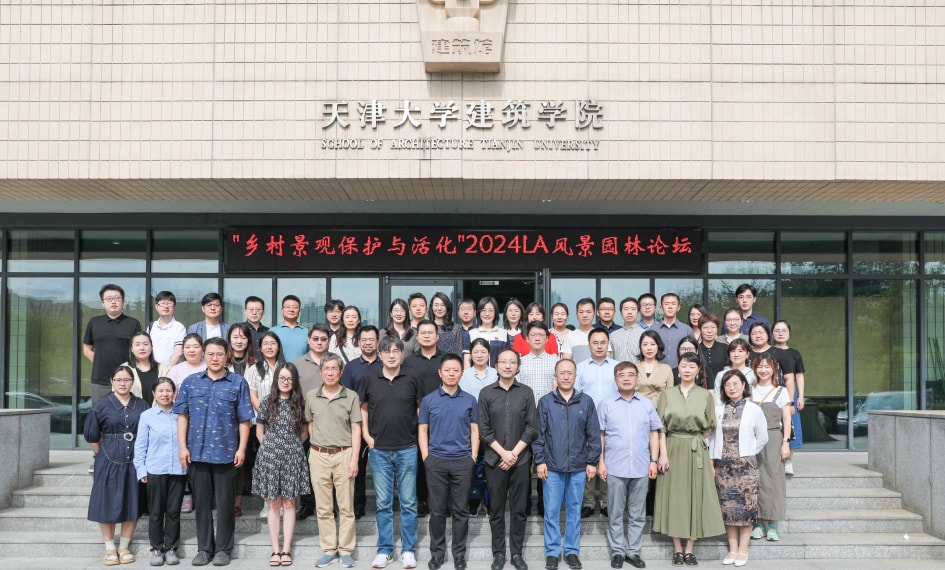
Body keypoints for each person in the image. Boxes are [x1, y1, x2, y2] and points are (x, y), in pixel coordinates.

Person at [174, 338, 254, 567]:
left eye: (219, 354)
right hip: (197, 453)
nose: (215, 358)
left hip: (226, 453)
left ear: (226, 355)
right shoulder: (191, 382)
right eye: (210, 354)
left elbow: (244, 419)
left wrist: (241, 448)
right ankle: (204, 549)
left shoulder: (237, 382)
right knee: (201, 504)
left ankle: (223, 549)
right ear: (204, 355)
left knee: (226, 504)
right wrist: (182, 447)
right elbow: (182, 416)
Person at [653, 352, 725, 568]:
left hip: (696, 449)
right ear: (678, 367)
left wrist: (696, 441)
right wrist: (662, 454)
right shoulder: (667, 394)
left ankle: (690, 549)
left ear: (698, 370)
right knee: (675, 497)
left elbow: (710, 426)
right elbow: (660, 427)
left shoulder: (705, 395)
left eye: (692, 367)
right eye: (684, 365)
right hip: (672, 447)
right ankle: (677, 548)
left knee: (695, 495)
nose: (687, 370)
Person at [359, 335, 423, 570]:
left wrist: (415, 435)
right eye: (387, 351)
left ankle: (408, 550)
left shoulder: (413, 376)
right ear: (380, 354)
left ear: (402, 354)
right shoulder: (370, 378)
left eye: (396, 351)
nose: (392, 355)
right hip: (379, 450)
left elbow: (420, 408)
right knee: (383, 503)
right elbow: (363, 408)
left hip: (407, 447)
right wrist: (367, 436)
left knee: (408, 502)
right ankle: (384, 550)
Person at [534, 359, 601, 570]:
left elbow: (593, 435)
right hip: (552, 467)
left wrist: (592, 461)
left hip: (579, 467)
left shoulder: (586, 402)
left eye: (569, 373)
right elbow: (538, 435)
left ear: (575, 376)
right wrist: (539, 461)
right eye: (562, 373)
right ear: (555, 376)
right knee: (551, 512)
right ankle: (553, 552)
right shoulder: (546, 402)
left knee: (574, 511)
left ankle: (572, 551)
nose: (565, 376)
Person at [597, 361, 662, 570]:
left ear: (637, 378)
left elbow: (654, 433)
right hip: (614, 466)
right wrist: (600, 461)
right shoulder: (606, 404)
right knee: (615, 512)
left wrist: (654, 460)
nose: (626, 378)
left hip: (641, 466)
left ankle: (633, 552)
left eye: (630, 374)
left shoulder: (646, 404)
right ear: (615, 379)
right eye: (621, 375)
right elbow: (601, 435)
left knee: (637, 513)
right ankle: (617, 551)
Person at [477, 348, 536, 570]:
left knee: (519, 510)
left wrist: (514, 454)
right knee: (496, 510)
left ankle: (517, 554)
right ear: (496, 365)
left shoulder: (526, 392)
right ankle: (499, 554)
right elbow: (484, 429)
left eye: (512, 362)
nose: (508, 366)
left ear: (518, 367)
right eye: (503, 362)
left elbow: (532, 428)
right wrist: (503, 453)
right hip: (495, 460)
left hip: (520, 461)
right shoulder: (486, 393)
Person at [418, 354, 479, 570]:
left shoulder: (470, 400)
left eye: (456, 370)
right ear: (440, 373)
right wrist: (426, 457)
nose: (451, 373)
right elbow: (422, 430)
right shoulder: (429, 400)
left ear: (461, 373)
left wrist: (473, 456)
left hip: (462, 461)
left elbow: (475, 430)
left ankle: (459, 554)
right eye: (447, 370)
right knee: (437, 510)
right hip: (436, 461)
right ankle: (437, 553)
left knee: (461, 510)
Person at [86, 364, 149, 566]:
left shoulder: (142, 405)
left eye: (127, 380)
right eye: (118, 380)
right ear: (111, 382)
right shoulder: (101, 406)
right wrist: (101, 454)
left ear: (132, 382)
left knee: (132, 501)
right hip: (108, 459)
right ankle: (110, 548)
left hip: (135, 460)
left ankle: (124, 546)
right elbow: (92, 436)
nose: (123, 383)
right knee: (106, 502)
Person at [305, 353, 361, 569]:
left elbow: (356, 429)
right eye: (326, 369)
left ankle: (346, 550)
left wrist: (354, 459)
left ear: (341, 372)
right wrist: (318, 445)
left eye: (334, 368)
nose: (330, 373)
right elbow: (310, 424)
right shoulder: (311, 396)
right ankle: (329, 549)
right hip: (318, 455)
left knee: (346, 506)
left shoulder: (351, 396)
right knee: (324, 507)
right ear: (320, 372)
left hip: (344, 454)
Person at [708, 370, 768, 567]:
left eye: (735, 383)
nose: (731, 388)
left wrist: (748, 452)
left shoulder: (754, 410)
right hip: (723, 467)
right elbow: (711, 438)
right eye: (727, 385)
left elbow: (763, 437)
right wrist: (712, 463)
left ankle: (743, 550)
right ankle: (732, 549)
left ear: (744, 385)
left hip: (746, 467)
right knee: (728, 509)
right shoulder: (718, 409)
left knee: (746, 508)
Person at [253, 362, 310, 568]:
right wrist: (270, 447)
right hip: (269, 457)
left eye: (290, 379)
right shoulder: (267, 401)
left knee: (289, 503)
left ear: (295, 381)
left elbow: (304, 433)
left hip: (292, 457)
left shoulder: (300, 403)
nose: (286, 382)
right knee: (273, 504)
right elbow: (259, 431)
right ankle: (275, 549)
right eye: (282, 378)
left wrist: (291, 447)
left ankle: (286, 549)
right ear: (276, 379)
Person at [134, 377, 187, 567]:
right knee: (156, 512)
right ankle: (156, 548)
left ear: (174, 393)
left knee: (173, 512)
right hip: (155, 469)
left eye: (168, 390)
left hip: (178, 470)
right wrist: (141, 469)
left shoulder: (182, 414)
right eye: (161, 391)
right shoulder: (147, 416)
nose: (165, 394)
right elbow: (140, 445)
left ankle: (171, 548)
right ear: (154, 394)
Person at [516, 321, 559, 518]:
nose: (537, 338)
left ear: (547, 338)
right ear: (527, 338)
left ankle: (543, 504)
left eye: (541, 335)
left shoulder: (555, 360)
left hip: (548, 417)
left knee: (546, 461)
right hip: (524, 418)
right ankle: (524, 504)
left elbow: (557, 387)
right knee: (524, 463)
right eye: (533, 334)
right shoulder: (520, 362)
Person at [404, 319, 446, 517]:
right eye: (423, 333)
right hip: (418, 418)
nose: (427, 336)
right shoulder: (409, 361)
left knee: (443, 458)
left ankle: (443, 502)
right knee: (420, 460)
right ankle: (421, 500)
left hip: (444, 419)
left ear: (437, 336)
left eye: (431, 333)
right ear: (417, 336)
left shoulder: (446, 359)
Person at [339, 325, 382, 519]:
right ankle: (358, 506)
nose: (368, 343)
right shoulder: (351, 367)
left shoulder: (385, 363)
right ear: (358, 342)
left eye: (371, 339)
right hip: (356, 423)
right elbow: (346, 396)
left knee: (384, 467)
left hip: (382, 422)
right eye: (364, 340)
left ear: (377, 342)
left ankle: (384, 505)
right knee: (358, 465)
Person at [749, 353, 792, 544]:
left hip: (774, 437)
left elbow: (787, 418)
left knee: (774, 479)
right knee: (755, 479)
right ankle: (758, 523)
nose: (763, 370)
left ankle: (773, 524)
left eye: (767, 366)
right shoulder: (749, 389)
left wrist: (786, 442)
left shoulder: (781, 391)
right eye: (759, 366)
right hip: (752, 439)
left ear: (774, 369)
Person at [575, 328, 617, 518]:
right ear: (589, 345)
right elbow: (576, 394)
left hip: (613, 421)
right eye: (595, 343)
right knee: (589, 460)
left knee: (609, 461)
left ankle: (607, 502)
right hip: (587, 421)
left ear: (608, 344)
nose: (599, 346)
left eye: (603, 342)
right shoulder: (581, 368)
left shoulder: (617, 367)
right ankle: (589, 502)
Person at [247, 331, 288, 520]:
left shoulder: (285, 367)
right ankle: (267, 503)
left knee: (282, 465)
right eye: (266, 344)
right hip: (261, 424)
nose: (269, 347)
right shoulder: (253, 369)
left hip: (284, 424)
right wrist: (266, 415)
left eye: (273, 343)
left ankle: (283, 502)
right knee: (266, 465)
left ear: (278, 346)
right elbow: (252, 395)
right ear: (260, 348)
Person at [83, 284, 143, 405]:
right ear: (102, 303)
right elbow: (86, 348)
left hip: (126, 379)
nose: (113, 302)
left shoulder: (133, 323)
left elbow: (139, 350)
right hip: (100, 380)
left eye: (117, 298)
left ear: (123, 302)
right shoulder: (94, 322)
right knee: (100, 412)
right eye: (109, 299)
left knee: (128, 412)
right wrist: (99, 361)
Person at [226, 323, 258, 518]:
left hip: (251, 421)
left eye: (243, 337)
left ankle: (237, 503)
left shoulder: (256, 364)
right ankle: (225, 500)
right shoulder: (222, 362)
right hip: (227, 422)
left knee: (244, 462)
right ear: (229, 339)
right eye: (235, 337)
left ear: (249, 341)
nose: (239, 341)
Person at [771, 320, 805, 476]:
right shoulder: (769, 351)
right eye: (777, 330)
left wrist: (801, 397)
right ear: (772, 334)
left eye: (784, 330)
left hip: (790, 395)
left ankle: (789, 461)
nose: (780, 333)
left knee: (792, 426)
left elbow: (799, 375)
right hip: (771, 393)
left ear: (789, 334)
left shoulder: (795, 353)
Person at [465, 296, 511, 368]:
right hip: (477, 374)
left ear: (495, 313)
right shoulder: (472, 333)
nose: (487, 314)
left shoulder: (503, 333)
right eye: (483, 310)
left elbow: (507, 357)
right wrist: (467, 374)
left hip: (498, 374)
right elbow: (467, 359)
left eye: (490, 310)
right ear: (479, 313)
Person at [122, 331, 164, 405]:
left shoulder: (164, 369)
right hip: (132, 411)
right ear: (131, 349)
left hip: (159, 411)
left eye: (145, 344)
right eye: (137, 345)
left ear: (152, 347)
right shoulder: (123, 370)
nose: (142, 348)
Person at [653, 293, 693, 368]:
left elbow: (693, 354)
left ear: (678, 307)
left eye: (673, 304)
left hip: (681, 371)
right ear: (661, 307)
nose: (670, 307)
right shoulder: (653, 330)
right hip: (658, 371)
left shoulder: (687, 330)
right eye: (667, 304)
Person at [636, 330, 673, 407]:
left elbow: (670, 395)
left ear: (658, 346)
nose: (649, 348)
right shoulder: (634, 368)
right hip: (638, 407)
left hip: (660, 408)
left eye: (653, 344)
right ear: (640, 347)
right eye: (645, 344)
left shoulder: (666, 369)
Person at [148, 291, 185, 366]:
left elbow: (178, 353)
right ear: (156, 307)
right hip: (153, 369)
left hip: (172, 369)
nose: (166, 306)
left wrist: (166, 370)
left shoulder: (179, 327)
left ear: (174, 307)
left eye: (170, 303)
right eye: (163, 303)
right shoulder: (151, 326)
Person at [272, 295, 308, 362]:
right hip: (279, 368)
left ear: (299, 311)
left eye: (295, 307)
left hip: (301, 368)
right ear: (282, 310)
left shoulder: (307, 332)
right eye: (288, 307)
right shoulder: (272, 332)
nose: (291, 310)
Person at [561, 298, 597, 362]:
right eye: (581, 312)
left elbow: (607, 360)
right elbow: (566, 362)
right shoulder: (570, 336)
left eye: (588, 312)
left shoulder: (601, 336)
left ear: (594, 314)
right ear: (577, 314)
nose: (585, 315)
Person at [697, 313, 728, 385]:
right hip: (700, 388)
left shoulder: (724, 348)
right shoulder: (696, 349)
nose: (709, 331)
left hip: (721, 387)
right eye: (705, 328)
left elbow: (727, 372)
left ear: (717, 328)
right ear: (700, 329)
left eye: (713, 327)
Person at [611, 297, 643, 363]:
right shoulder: (613, 335)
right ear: (621, 313)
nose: (629, 312)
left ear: (638, 312)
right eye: (626, 309)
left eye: (633, 309)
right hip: (617, 369)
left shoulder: (644, 334)